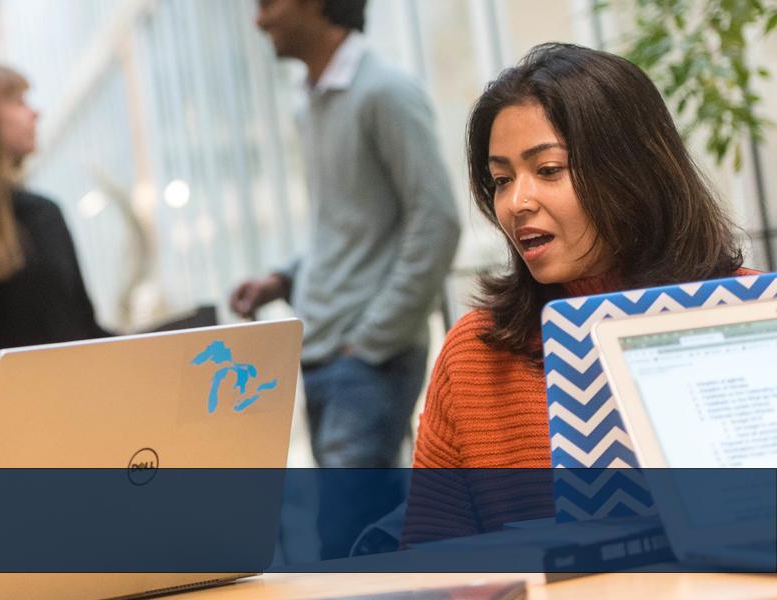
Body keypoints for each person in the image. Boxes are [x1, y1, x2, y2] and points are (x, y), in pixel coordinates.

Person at [404, 43, 757, 544]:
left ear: (633, 173)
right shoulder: (475, 353)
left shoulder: (755, 318)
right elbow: (430, 564)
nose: (516, 203)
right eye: (501, 180)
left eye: (548, 170)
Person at [230, 0, 461, 559]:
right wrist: (281, 278)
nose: (259, 20)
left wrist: (374, 340)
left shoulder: (385, 92)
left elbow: (439, 221)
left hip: (366, 358)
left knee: (351, 542)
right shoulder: (311, 100)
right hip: (326, 350)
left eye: (268, 4)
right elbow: (340, 224)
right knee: (351, 540)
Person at [0, 63, 109, 410]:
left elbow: (84, 326)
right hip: (3, 431)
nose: (35, 111)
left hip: (80, 409)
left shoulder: (46, 213)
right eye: (17, 100)